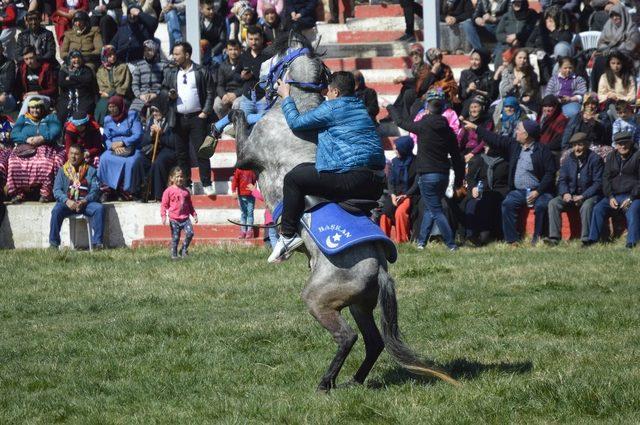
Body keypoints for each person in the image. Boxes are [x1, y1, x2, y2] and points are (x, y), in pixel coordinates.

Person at [270, 71, 386, 263]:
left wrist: (286, 97)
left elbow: (296, 123)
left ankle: (288, 235)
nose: (326, 96)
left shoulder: (332, 107)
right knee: (304, 169)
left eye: (329, 93)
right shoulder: (360, 108)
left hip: (353, 178)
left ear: (336, 92)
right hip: (376, 182)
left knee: (293, 178)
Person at [388, 90, 465, 250]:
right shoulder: (448, 129)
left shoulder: (422, 125)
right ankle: (422, 242)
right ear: (443, 108)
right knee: (432, 207)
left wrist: (390, 107)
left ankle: (451, 244)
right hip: (443, 175)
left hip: (427, 175)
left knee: (435, 209)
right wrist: (458, 180)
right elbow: (457, 158)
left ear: (427, 108)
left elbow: (401, 122)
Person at [464, 118, 556, 244]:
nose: (516, 132)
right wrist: (476, 128)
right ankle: (512, 240)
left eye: (519, 130)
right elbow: (495, 139)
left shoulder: (543, 151)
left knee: (540, 205)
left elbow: (550, 174)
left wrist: (538, 192)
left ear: (527, 134)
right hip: (519, 191)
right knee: (508, 203)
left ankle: (537, 237)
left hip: (540, 191)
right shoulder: (515, 146)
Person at [162, 41, 215, 195]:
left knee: (201, 151)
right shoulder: (172, 72)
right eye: (174, 54)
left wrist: (205, 111)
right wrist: (169, 95)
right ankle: (187, 184)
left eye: (178, 54)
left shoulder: (201, 71)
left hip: (197, 117)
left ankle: (206, 183)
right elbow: (164, 89)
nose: (174, 57)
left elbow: (210, 92)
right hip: (178, 118)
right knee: (182, 153)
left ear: (187, 54)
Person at [545, 132, 603, 245]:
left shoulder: (595, 159)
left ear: (587, 145)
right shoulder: (568, 159)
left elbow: (598, 183)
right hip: (571, 194)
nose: (577, 148)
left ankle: (586, 239)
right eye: (574, 145)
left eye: (580, 145)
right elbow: (562, 180)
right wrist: (565, 193)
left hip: (589, 195)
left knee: (586, 206)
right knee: (553, 203)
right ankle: (554, 238)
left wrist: (583, 196)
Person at [584, 131, 640, 248]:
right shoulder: (611, 156)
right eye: (620, 144)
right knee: (598, 208)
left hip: (633, 195)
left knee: (633, 210)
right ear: (616, 145)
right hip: (614, 196)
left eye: (625, 143)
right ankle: (592, 239)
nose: (623, 146)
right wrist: (609, 197)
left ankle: (631, 242)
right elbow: (606, 178)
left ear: (630, 142)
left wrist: (631, 197)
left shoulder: (637, 155)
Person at [7, 97, 63, 203]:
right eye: (32, 108)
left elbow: (56, 131)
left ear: (42, 108)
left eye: (38, 108)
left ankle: (46, 193)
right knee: (13, 162)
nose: (35, 110)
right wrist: (26, 139)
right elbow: (14, 134)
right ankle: (18, 193)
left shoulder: (50, 117)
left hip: (45, 147)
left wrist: (43, 138)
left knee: (45, 163)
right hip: (25, 148)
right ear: (28, 108)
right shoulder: (23, 119)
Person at [49, 143, 104, 249]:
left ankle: (97, 243)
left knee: (99, 208)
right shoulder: (63, 171)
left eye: (77, 154)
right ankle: (54, 244)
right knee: (56, 210)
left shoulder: (90, 171)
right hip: (68, 204)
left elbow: (95, 191)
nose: (73, 156)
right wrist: (67, 201)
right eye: (71, 153)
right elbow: (57, 190)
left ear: (83, 155)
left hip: (85, 204)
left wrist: (84, 201)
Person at [97, 95, 145, 200]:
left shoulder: (132, 115)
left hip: (131, 146)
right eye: (110, 107)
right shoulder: (107, 119)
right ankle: (107, 190)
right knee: (104, 158)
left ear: (120, 106)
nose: (112, 109)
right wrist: (112, 146)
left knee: (132, 162)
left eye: (114, 106)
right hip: (114, 148)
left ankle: (127, 191)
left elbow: (138, 134)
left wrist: (123, 142)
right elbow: (106, 138)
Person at [462, 143, 509, 245]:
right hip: (480, 190)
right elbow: (470, 177)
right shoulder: (480, 159)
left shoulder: (505, 161)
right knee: (470, 204)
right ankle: (470, 234)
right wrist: (473, 187)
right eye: (485, 146)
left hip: (499, 192)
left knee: (488, 202)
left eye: (488, 146)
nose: (486, 148)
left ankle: (484, 235)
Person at [141, 97, 179, 201]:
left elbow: (172, 142)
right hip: (154, 149)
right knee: (139, 161)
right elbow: (144, 141)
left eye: (156, 110)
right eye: (152, 111)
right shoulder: (151, 121)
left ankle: (159, 194)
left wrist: (161, 134)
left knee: (158, 162)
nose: (154, 113)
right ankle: (141, 192)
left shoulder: (170, 120)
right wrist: (151, 135)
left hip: (169, 149)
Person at [379, 136, 416, 243]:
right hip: (395, 194)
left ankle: (402, 240)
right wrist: (393, 195)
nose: (395, 151)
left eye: (397, 148)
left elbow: (416, 184)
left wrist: (406, 195)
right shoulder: (394, 162)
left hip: (409, 195)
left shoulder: (415, 163)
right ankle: (383, 240)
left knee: (400, 212)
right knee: (385, 214)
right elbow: (390, 181)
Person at [161, 166, 198, 259]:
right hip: (174, 219)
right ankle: (174, 254)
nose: (179, 179)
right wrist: (163, 216)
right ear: (172, 178)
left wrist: (194, 214)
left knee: (190, 233)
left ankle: (184, 249)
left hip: (185, 219)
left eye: (181, 177)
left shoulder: (186, 192)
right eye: (177, 177)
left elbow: (190, 205)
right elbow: (164, 205)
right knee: (176, 237)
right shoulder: (168, 191)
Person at [15, 46, 58, 115]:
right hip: (27, 98)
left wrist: (36, 93)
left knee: (30, 99)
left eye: (31, 58)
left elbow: (53, 89)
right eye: (26, 59)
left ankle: (19, 123)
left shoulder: (46, 68)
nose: (29, 61)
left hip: (45, 98)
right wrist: (23, 95)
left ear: (36, 56)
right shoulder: (22, 69)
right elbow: (18, 87)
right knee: (29, 100)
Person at [493, 0, 538, 67]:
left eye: (519, 2)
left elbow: (530, 30)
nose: (516, 4)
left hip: (525, 45)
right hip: (509, 45)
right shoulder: (507, 16)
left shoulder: (531, 14)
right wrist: (507, 39)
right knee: (500, 56)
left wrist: (517, 37)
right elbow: (499, 33)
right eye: (514, 2)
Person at [95, 45, 131, 124]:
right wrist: (107, 94)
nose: (113, 57)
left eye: (114, 54)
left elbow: (125, 85)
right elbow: (102, 87)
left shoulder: (123, 67)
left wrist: (110, 94)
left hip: (121, 95)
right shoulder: (100, 70)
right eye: (109, 55)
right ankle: (102, 126)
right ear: (104, 57)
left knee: (114, 104)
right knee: (101, 105)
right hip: (106, 95)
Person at [57, 50, 97, 123]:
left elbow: (87, 80)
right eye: (74, 58)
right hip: (67, 97)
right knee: (63, 112)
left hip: (83, 97)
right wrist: (80, 81)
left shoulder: (86, 69)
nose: (77, 60)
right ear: (69, 59)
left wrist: (72, 78)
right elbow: (62, 83)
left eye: (78, 57)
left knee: (82, 112)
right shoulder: (64, 70)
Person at [130, 40, 168, 113]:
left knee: (157, 112)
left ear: (155, 51)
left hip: (157, 96)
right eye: (145, 50)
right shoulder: (139, 65)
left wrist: (156, 94)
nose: (147, 53)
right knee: (132, 113)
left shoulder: (163, 65)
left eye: (150, 50)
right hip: (142, 96)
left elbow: (165, 84)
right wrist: (140, 95)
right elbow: (135, 84)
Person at [213, 39, 243, 121]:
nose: (233, 52)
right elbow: (220, 85)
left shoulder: (245, 64)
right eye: (230, 49)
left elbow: (248, 84)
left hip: (240, 94)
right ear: (226, 51)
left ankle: (236, 126)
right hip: (226, 93)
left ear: (240, 50)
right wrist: (223, 95)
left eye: (236, 49)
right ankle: (225, 125)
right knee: (217, 104)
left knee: (237, 104)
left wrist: (236, 94)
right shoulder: (222, 66)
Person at [458, 49, 496, 114]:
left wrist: (478, 91)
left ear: (483, 61)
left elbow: (492, 95)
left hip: (485, 107)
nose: (473, 62)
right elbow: (461, 95)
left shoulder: (490, 75)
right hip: (468, 108)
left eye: (477, 60)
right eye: (472, 59)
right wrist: (468, 89)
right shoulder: (465, 74)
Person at [458, 95, 491, 163]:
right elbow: (460, 138)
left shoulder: (487, 121)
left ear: (482, 107)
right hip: (466, 150)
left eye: (476, 107)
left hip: (479, 151)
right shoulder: (466, 121)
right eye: (471, 107)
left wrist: (472, 153)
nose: (473, 110)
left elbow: (485, 140)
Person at [232, 166, 257, 238]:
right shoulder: (239, 170)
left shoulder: (252, 170)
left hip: (250, 195)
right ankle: (243, 230)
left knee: (250, 212)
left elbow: (255, 181)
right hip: (241, 195)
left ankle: (249, 230)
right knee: (243, 213)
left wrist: (254, 188)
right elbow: (235, 181)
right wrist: (234, 191)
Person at [0, 42, 15, 113]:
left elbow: (9, 82)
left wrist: (4, 93)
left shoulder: (10, 63)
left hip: (7, 96)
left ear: (2, 49)